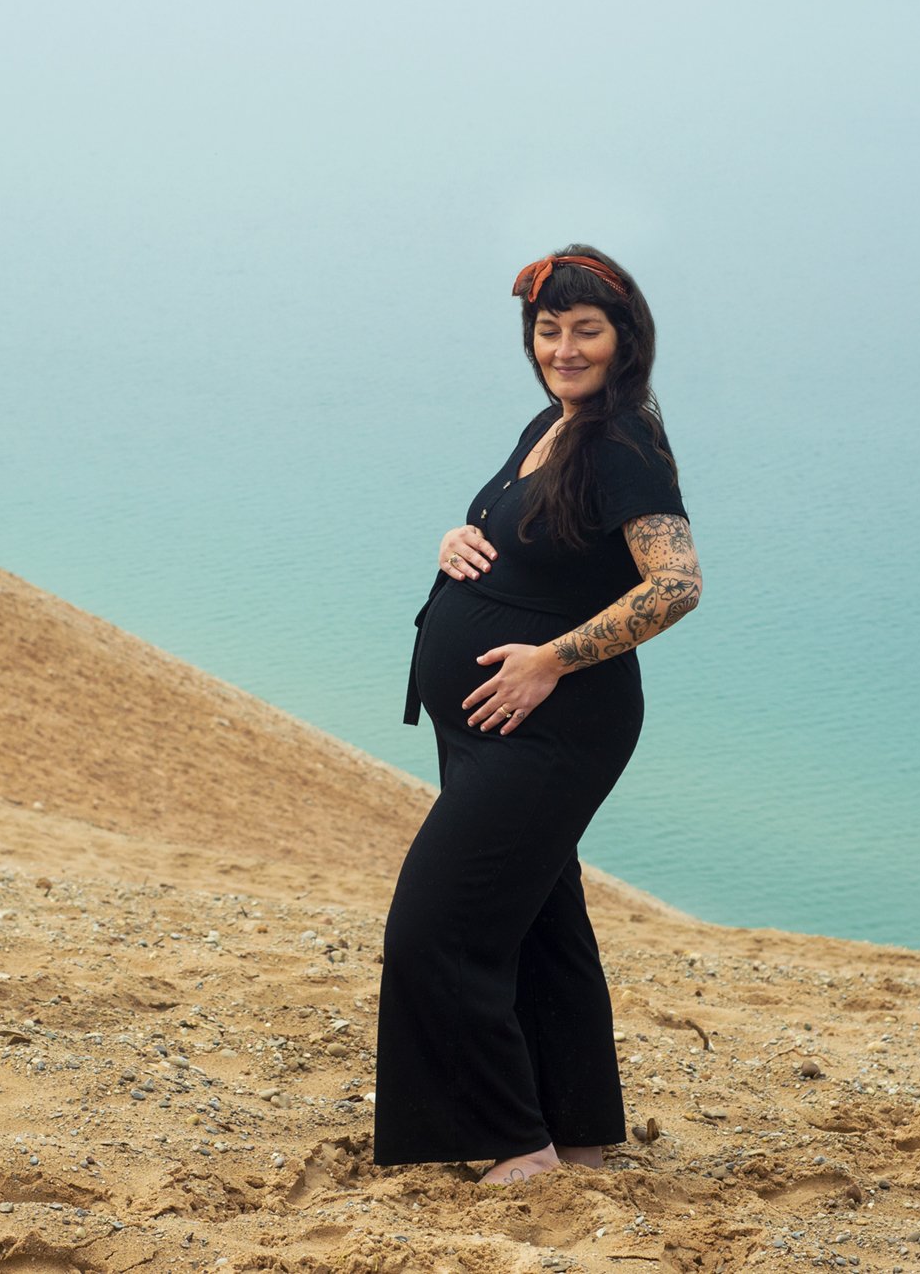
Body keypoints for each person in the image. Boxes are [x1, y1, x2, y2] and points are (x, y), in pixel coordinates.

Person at [373, 243, 704, 1184]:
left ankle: (516, 1149)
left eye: (585, 331)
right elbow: (522, 534)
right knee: (542, 927)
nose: (563, 348)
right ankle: (581, 1138)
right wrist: (453, 539)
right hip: (487, 727)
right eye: (548, 330)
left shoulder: (623, 440)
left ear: (624, 340)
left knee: (435, 932)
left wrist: (552, 660)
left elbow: (676, 586)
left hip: (555, 727)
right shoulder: (550, 424)